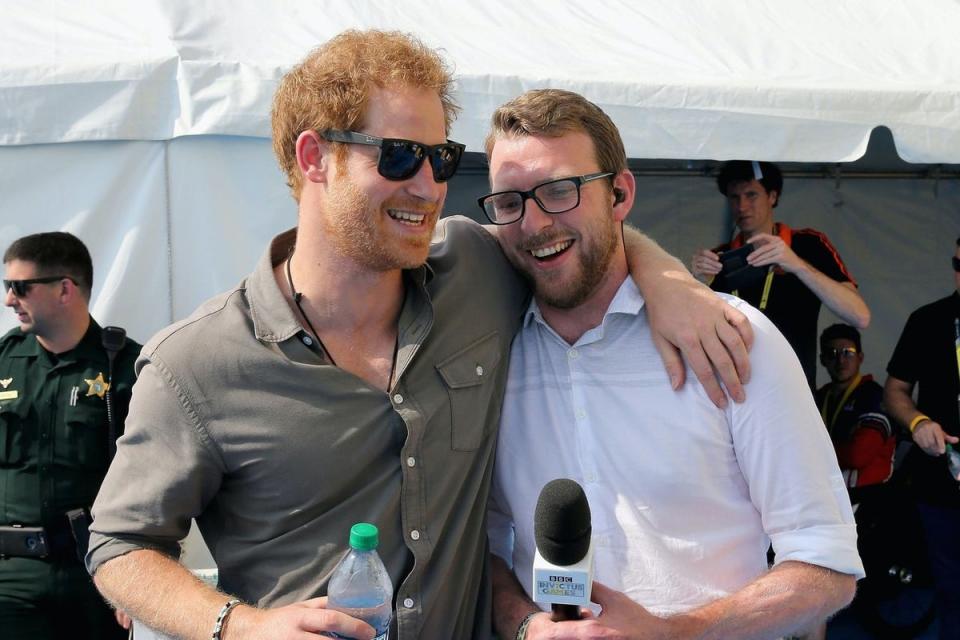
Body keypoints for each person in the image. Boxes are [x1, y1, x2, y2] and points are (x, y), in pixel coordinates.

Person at [85, 30, 753, 640]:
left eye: (441, 157)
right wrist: (238, 625)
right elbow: (118, 544)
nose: (431, 185)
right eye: (402, 156)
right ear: (316, 157)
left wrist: (670, 282)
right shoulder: (196, 363)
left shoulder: (477, 269)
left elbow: (571, 232)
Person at [484, 89, 863, 640]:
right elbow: (488, 547)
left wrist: (677, 632)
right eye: (509, 202)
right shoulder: (487, 356)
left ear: (620, 194)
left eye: (561, 191)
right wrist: (524, 626)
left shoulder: (732, 339)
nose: (534, 222)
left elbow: (826, 564)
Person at [0, 231, 140, 640]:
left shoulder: (125, 367)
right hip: (12, 578)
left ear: (65, 289)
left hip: (96, 572)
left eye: (21, 288)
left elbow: (156, 481)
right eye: (8, 287)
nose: (10, 299)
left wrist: (138, 575)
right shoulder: (4, 360)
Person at [692, 160, 870, 387]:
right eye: (734, 198)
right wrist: (696, 283)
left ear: (773, 197)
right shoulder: (718, 258)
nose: (742, 206)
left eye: (751, 195)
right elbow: (690, 333)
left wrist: (796, 264)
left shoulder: (808, 244)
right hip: (736, 394)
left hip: (794, 392)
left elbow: (860, 315)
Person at [884, 237, 960, 638]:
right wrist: (917, 423)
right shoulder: (928, 320)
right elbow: (894, 391)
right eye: (958, 264)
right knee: (950, 588)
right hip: (942, 478)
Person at [814, 323, 894, 493]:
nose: (840, 361)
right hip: (825, 494)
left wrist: (814, 448)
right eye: (832, 354)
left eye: (847, 353)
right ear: (822, 360)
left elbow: (858, 455)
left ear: (860, 357)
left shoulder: (875, 396)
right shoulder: (817, 397)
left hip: (869, 497)